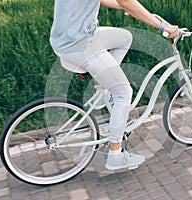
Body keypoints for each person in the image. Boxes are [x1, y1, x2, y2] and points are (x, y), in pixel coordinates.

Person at [50, 0, 179, 170]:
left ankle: (105, 90)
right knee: (124, 93)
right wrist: (163, 26)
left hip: (69, 39)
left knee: (125, 38)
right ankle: (115, 155)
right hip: (80, 45)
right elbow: (126, 1)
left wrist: (125, 7)